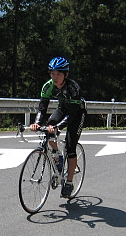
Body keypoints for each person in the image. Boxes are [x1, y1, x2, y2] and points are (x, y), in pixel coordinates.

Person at [29, 57, 87, 198]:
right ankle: (57, 156)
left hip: (77, 113)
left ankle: (69, 182)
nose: (55, 77)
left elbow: (72, 115)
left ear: (65, 75)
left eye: (58, 74)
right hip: (62, 109)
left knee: (70, 145)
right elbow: (42, 108)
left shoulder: (73, 88)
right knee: (47, 129)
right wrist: (37, 122)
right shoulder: (48, 86)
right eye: (52, 73)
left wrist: (58, 127)